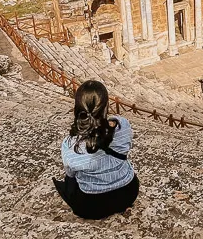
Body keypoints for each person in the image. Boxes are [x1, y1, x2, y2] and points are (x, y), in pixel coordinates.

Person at [52, 79, 139, 219]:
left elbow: (70, 173)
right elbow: (127, 146)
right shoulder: (122, 125)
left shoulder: (70, 144)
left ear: (78, 109)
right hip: (128, 193)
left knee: (69, 180)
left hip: (91, 206)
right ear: (106, 106)